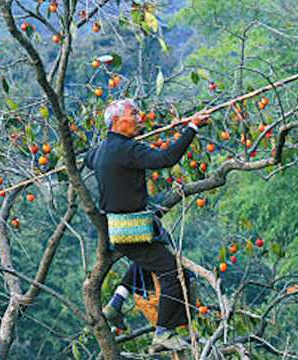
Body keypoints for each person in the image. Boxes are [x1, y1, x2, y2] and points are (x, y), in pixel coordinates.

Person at [84, 99, 209, 353]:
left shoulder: (100, 151)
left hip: (117, 230)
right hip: (134, 232)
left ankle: (116, 302)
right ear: (118, 120)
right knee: (173, 272)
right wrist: (192, 128)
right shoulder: (129, 150)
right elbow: (167, 158)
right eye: (134, 114)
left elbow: (87, 159)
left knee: (146, 260)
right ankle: (163, 332)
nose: (140, 118)